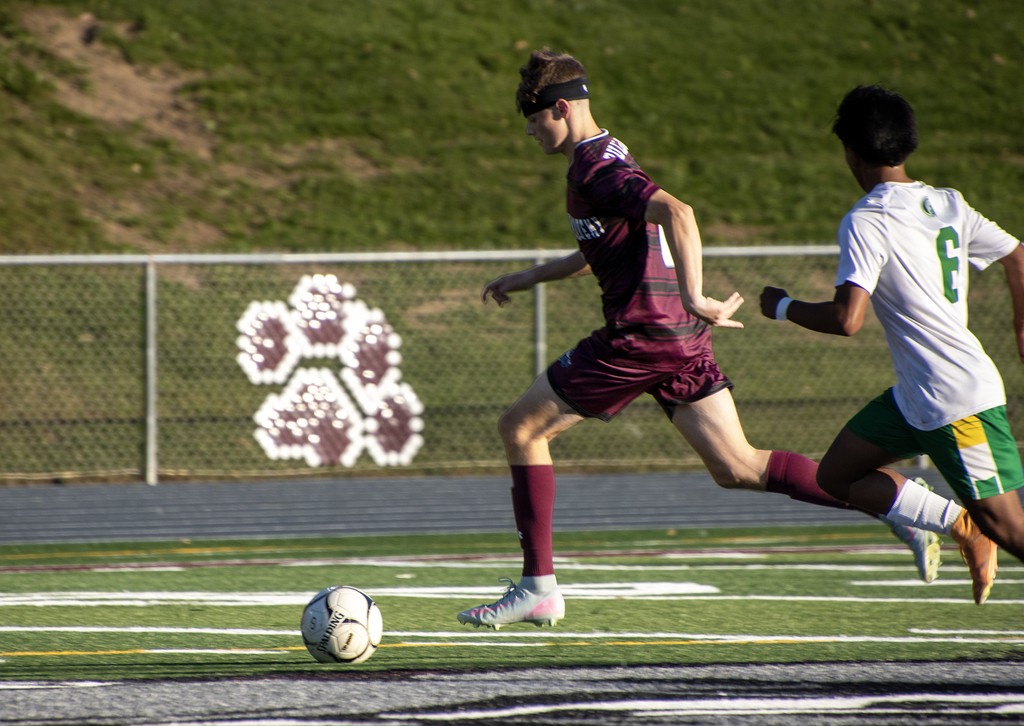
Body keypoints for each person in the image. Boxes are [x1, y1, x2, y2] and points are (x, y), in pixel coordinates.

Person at [456, 53, 939, 630]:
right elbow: (607, 248)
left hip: (642, 334)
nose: (530, 129)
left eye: (534, 118)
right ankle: (905, 507)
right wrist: (527, 277)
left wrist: (694, 294)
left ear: (561, 108)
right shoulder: (610, 151)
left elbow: (677, 214)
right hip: (677, 338)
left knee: (521, 427)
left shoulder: (592, 168)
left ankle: (538, 588)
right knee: (739, 466)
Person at [760, 85, 1024, 606]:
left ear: (850, 154)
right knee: (836, 475)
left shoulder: (869, 217)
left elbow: (846, 319)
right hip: (916, 397)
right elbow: (1018, 255)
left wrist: (783, 306)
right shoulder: (946, 203)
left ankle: (977, 526)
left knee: (1012, 530)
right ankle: (960, 525)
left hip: (956, 401)